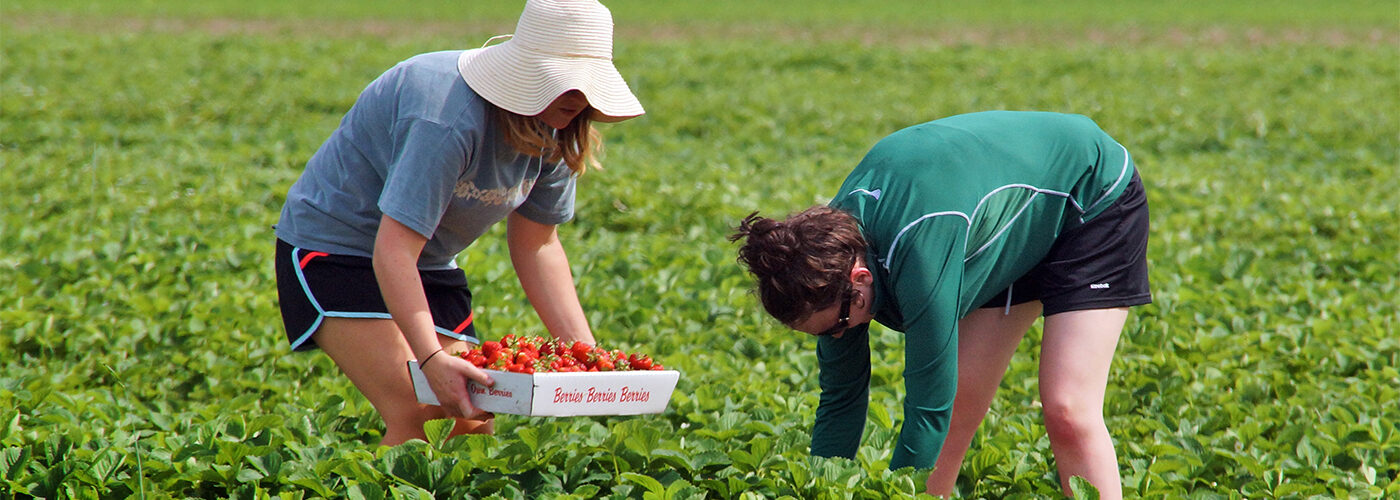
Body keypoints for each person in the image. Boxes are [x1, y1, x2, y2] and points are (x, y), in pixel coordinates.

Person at [273, 0, 644, 445]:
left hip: (427, 262)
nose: (578, 98)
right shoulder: (446, 114)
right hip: (335, 249)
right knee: (421, 411)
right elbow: (392, 249)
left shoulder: (559, 127)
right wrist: (430, 358)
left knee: (472, 420)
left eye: (588, 87)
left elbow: (538, 245)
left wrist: (591, 363)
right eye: (565, 83)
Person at [730, 111, 1151, 499]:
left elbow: (926, 407)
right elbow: (841, 398)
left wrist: (891, 493)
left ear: (860, 279)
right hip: (1005, 221)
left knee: (1068, 410)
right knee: (961, 401)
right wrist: (818, 490)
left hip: (1090, 195)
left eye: (837, 325)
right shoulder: (827, 258)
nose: (837, 337)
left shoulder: (921, 254)